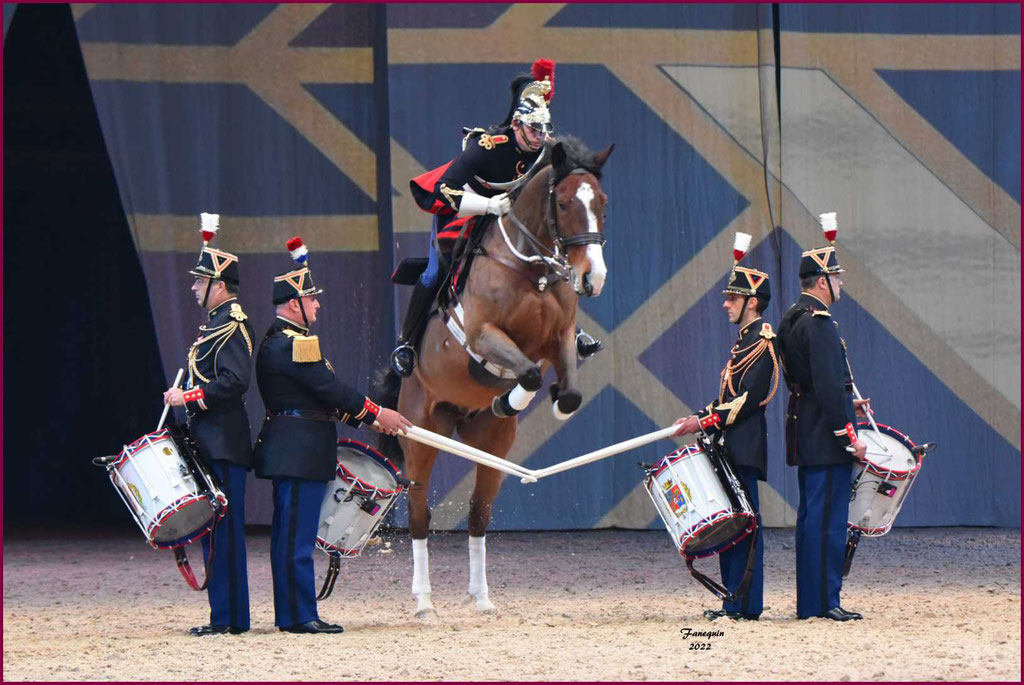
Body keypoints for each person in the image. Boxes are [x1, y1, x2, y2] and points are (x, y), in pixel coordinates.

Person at [390, 58, 602, 378]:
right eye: (533, 129)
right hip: (467, 211)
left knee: (553, 254)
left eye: (544, 130)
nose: (538, 138)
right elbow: (447, 189)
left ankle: (569, 330)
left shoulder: (546, 148)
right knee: (436, 270)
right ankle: (406, 342)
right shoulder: (487, 146)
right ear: (516, 124)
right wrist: (489, 207)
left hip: (514, 219)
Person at [253, 237, 412, 634]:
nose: (318, 305)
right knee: (297, 538)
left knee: (293, 536)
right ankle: (300, 615)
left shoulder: (286, 343)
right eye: (312, 300)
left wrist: (372, 421)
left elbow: (321, 399)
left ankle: (293, 614)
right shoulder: (292, 344)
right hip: (298, 450)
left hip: (299, 447)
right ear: (295, 305)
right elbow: (329, 389)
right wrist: (377, 411)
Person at [673, 232, 779, 622]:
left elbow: (747, 401)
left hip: (745, 445)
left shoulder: (764, 343)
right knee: (729, 527)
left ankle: (745, 605)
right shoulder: (743, 343)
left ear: (752, 303)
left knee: (745, 528)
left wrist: (703, 419)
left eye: (732, 298)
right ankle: (733, 601)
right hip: (728, 445)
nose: (725, 304)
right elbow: (726, 397)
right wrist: (696, 417)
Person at [162, 213, 254, 636]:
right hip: (211, 441)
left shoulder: (231, 324)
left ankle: (228, 619)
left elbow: (235, 382)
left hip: (223, 443)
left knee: (222, 534)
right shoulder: (214, 325)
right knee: (216, 533)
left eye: (201, 282)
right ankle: (227, 617)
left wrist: (189, 397)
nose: (195, 287)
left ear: (219, 285)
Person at [777, 212, 871, 622]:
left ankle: (810, 602)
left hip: (807, 432)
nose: (842, 283)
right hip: (826, 438)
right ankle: (825, 602)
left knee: (812, 521)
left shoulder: (793, 318)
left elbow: (813, 382)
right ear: (822, 282)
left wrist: (847, 405)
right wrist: (849, 434)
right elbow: (830, 386)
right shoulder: (819, 323)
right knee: (829, 523)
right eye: (838, 276)